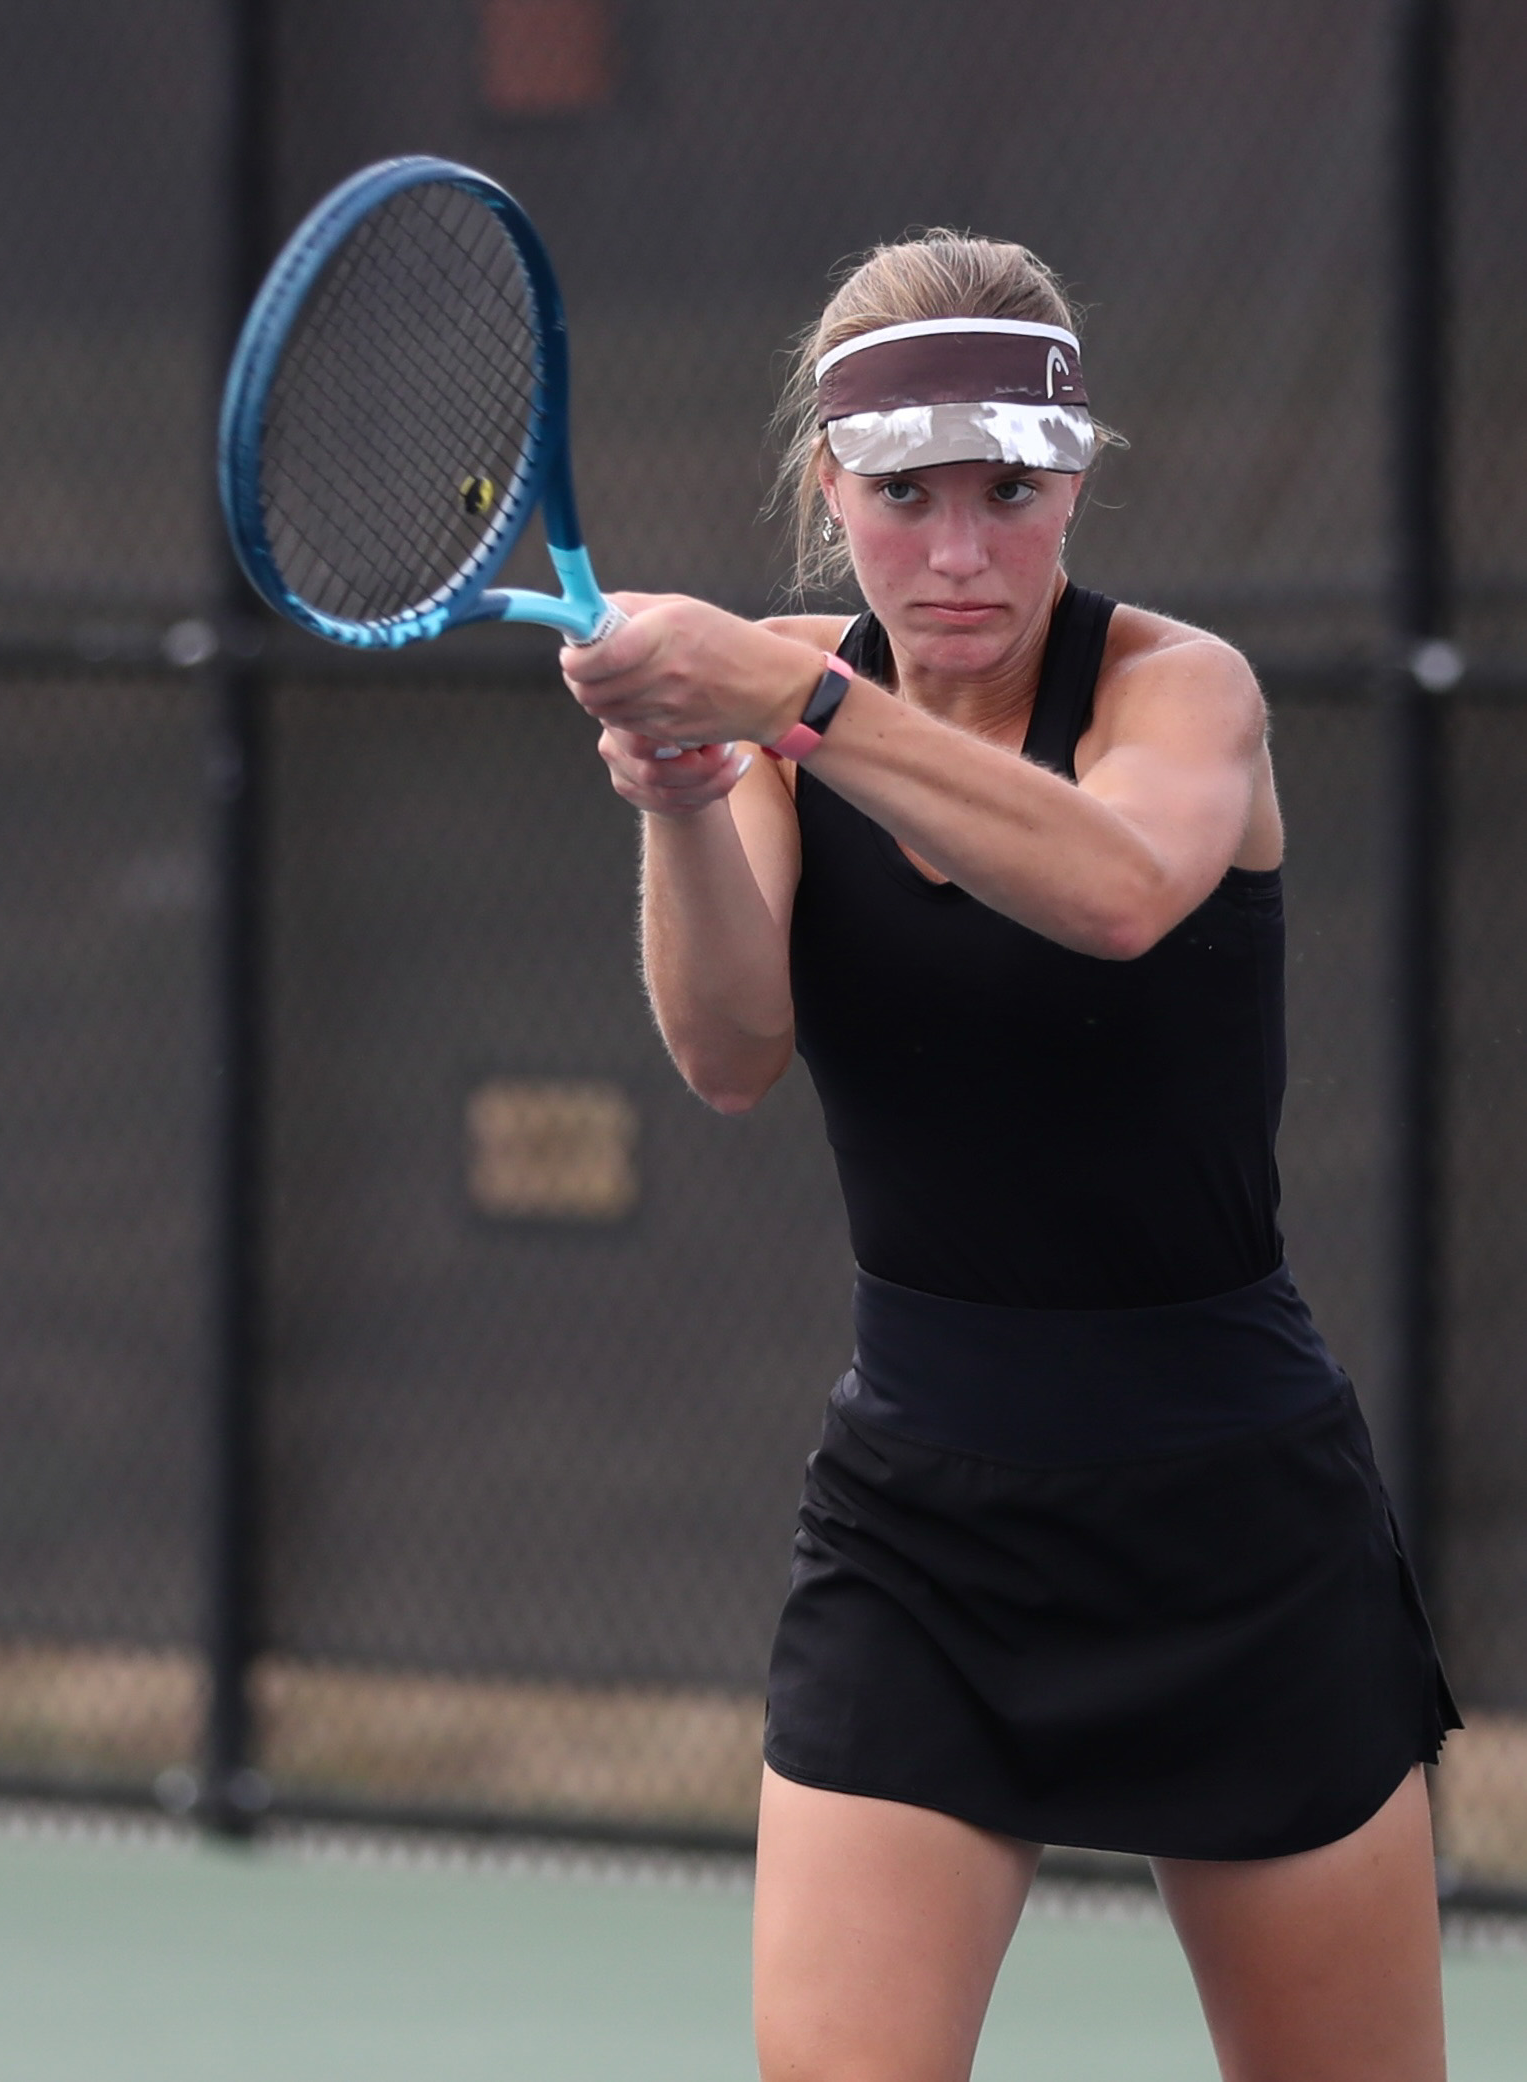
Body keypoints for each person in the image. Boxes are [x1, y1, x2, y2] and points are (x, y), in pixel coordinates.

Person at [558, 232, 1460, 2082]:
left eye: (1010, 493)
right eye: (907, 497)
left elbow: (1117, 892)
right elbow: (729, 1051)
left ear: (1076, 484)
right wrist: (682, 803)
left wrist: (795, 707)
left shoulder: (1180, 690)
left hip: (1236, 1523)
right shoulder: (777, 706)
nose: (960, 552)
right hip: (922, 1537)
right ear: (833, 491)